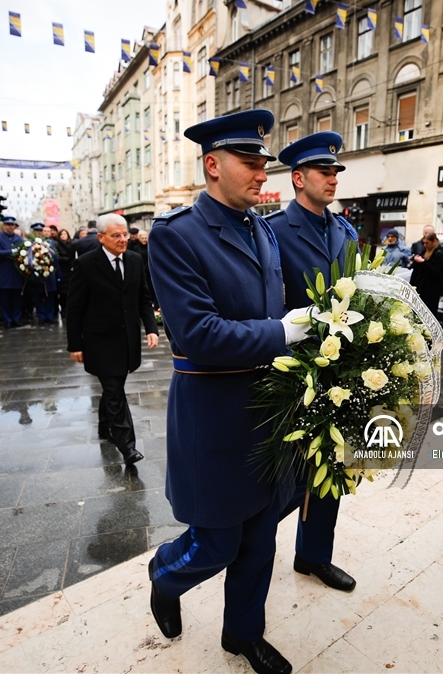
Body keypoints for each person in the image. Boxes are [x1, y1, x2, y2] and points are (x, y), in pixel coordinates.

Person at [147, 109, 309, 674]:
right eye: (250, 162)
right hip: (214, 416)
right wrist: (283, 332)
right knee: (215, 544)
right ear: (213, 165)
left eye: (264, 162)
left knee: (259, 541)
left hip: (268, 413)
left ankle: (242, 634)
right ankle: (165, 577)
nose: (262, 172)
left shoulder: (261, 229)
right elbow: (198, 334)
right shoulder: (176, 235)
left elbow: (271, 311)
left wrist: (312, 326)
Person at [269, 131, 360, 594]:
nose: (333, 179)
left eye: (336, 172)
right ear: (298, 179)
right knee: (284, 475)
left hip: (342, 369)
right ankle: (252, 551)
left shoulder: (345, 230)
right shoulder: (272, 231)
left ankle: (313, 556)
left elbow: (358, 292)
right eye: (325, 172)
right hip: (293, 368)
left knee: (334, 464)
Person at [67, 214, 157, 464]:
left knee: (115, 385)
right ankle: (127, 445)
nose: (122, 240)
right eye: (116, 235)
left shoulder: (135, 260)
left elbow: (143, 297)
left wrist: (151, 328)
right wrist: (74, 344)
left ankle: (104, 427)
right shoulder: (86, 264)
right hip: (99, 341)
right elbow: (74, 307)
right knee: (114, 390)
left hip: (126, 339)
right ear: (101, 237)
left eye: (125, 234)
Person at [0, 216, 25, 328]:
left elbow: (24, 251)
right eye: (8, 225)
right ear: (4, 226)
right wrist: (12, 252)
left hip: (16, 273)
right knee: (5, 298)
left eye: (12, 225)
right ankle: (7, 320)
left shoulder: (18, 238)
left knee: (17, 298)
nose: (10, 227)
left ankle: (16, 318)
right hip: (4, 272)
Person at [410, 232, 443, 317]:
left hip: (431, 290)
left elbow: (436, 272)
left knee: (429, 314)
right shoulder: (424, 252)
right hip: (420, 287)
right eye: (424, 243)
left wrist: (423, 262)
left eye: (427, 243)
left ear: (434, 241)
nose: (425, 245)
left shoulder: (439, 254)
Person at [29, 223, 59, 324]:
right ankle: (41, 316)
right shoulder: (30, 243)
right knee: (38, 296)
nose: (39, 233)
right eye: (36, 231)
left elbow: (55, 257)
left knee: (49, 295)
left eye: (40, 231)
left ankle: (49, 316)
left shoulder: (50, 243)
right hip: (36, 274)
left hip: (49, 273)